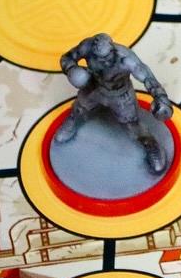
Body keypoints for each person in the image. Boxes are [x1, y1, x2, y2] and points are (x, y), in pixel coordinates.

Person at [55, 32, 173, 173]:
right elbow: (66, 58)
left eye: (107, 57)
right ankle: (71, 124)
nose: (105, 62)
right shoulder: (86, 47)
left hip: (120, 95)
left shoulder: (126, 58)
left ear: (112, 49)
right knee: (79, 108)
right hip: (94, 86)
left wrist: (160, 97)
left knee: (132, 125)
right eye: (100, 58)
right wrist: (72, 70)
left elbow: (147, 77)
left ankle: (152, 146)